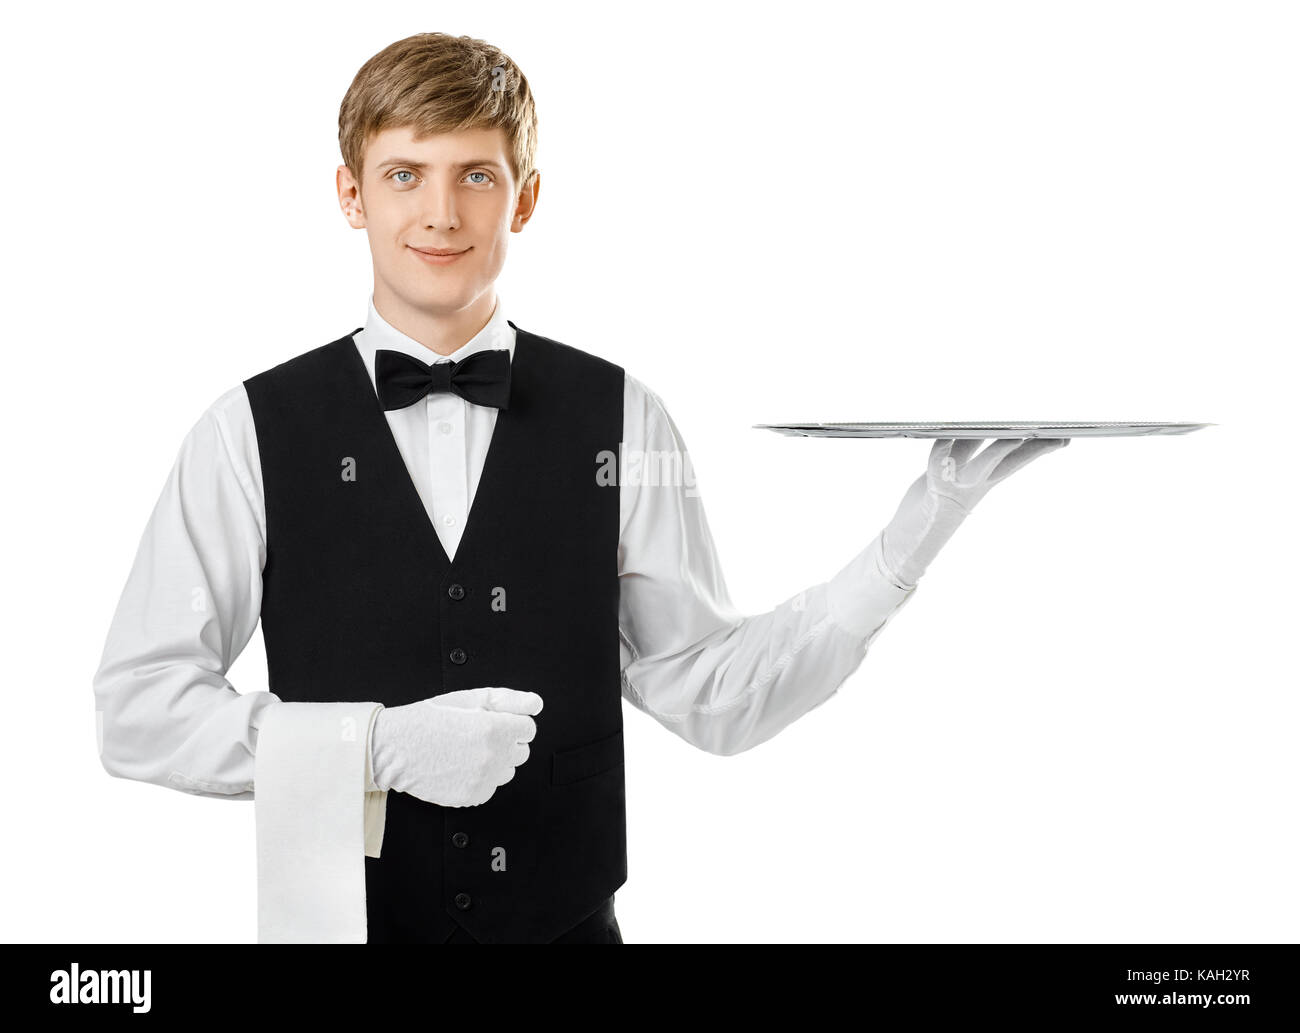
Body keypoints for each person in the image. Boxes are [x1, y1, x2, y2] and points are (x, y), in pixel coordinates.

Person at [91, 31, 1068, 944]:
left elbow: (707, 691)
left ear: (523, 199)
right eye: (405, 176)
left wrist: (914, 534)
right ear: (351, 194)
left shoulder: (625, 416)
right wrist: (372, 749)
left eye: (476, 175)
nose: (440, 212)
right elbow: (139, 709)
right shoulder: (243, 432)